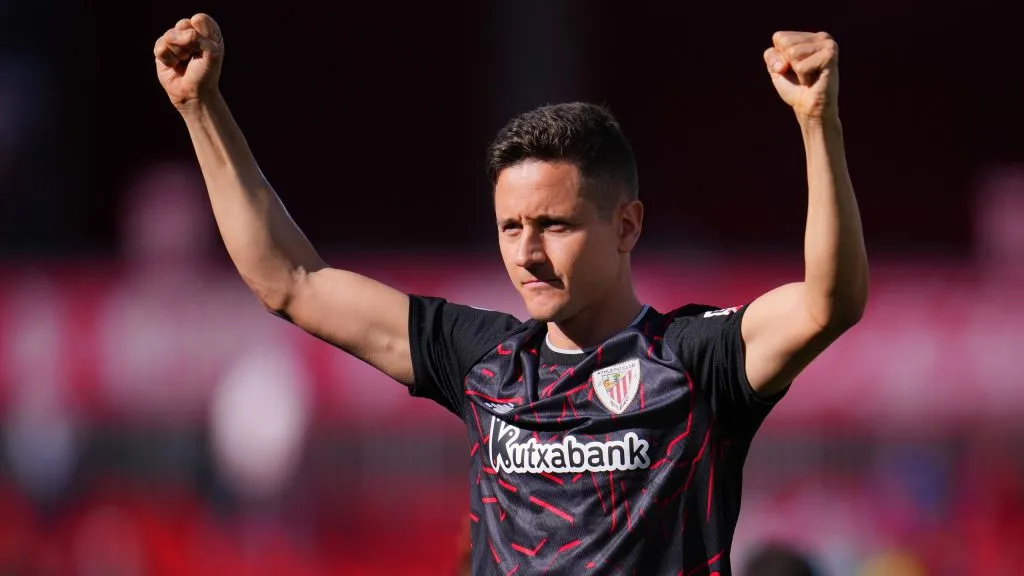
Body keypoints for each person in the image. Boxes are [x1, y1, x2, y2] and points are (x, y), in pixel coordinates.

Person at [153, 14, 868, 575]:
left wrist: (817, 124)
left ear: (627, 225)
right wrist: (201, 109)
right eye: (510, 226)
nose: (527, 252)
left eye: (554, 224)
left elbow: (826, 303)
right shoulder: (482, 359)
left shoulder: (696, 360)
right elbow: (292, 282)